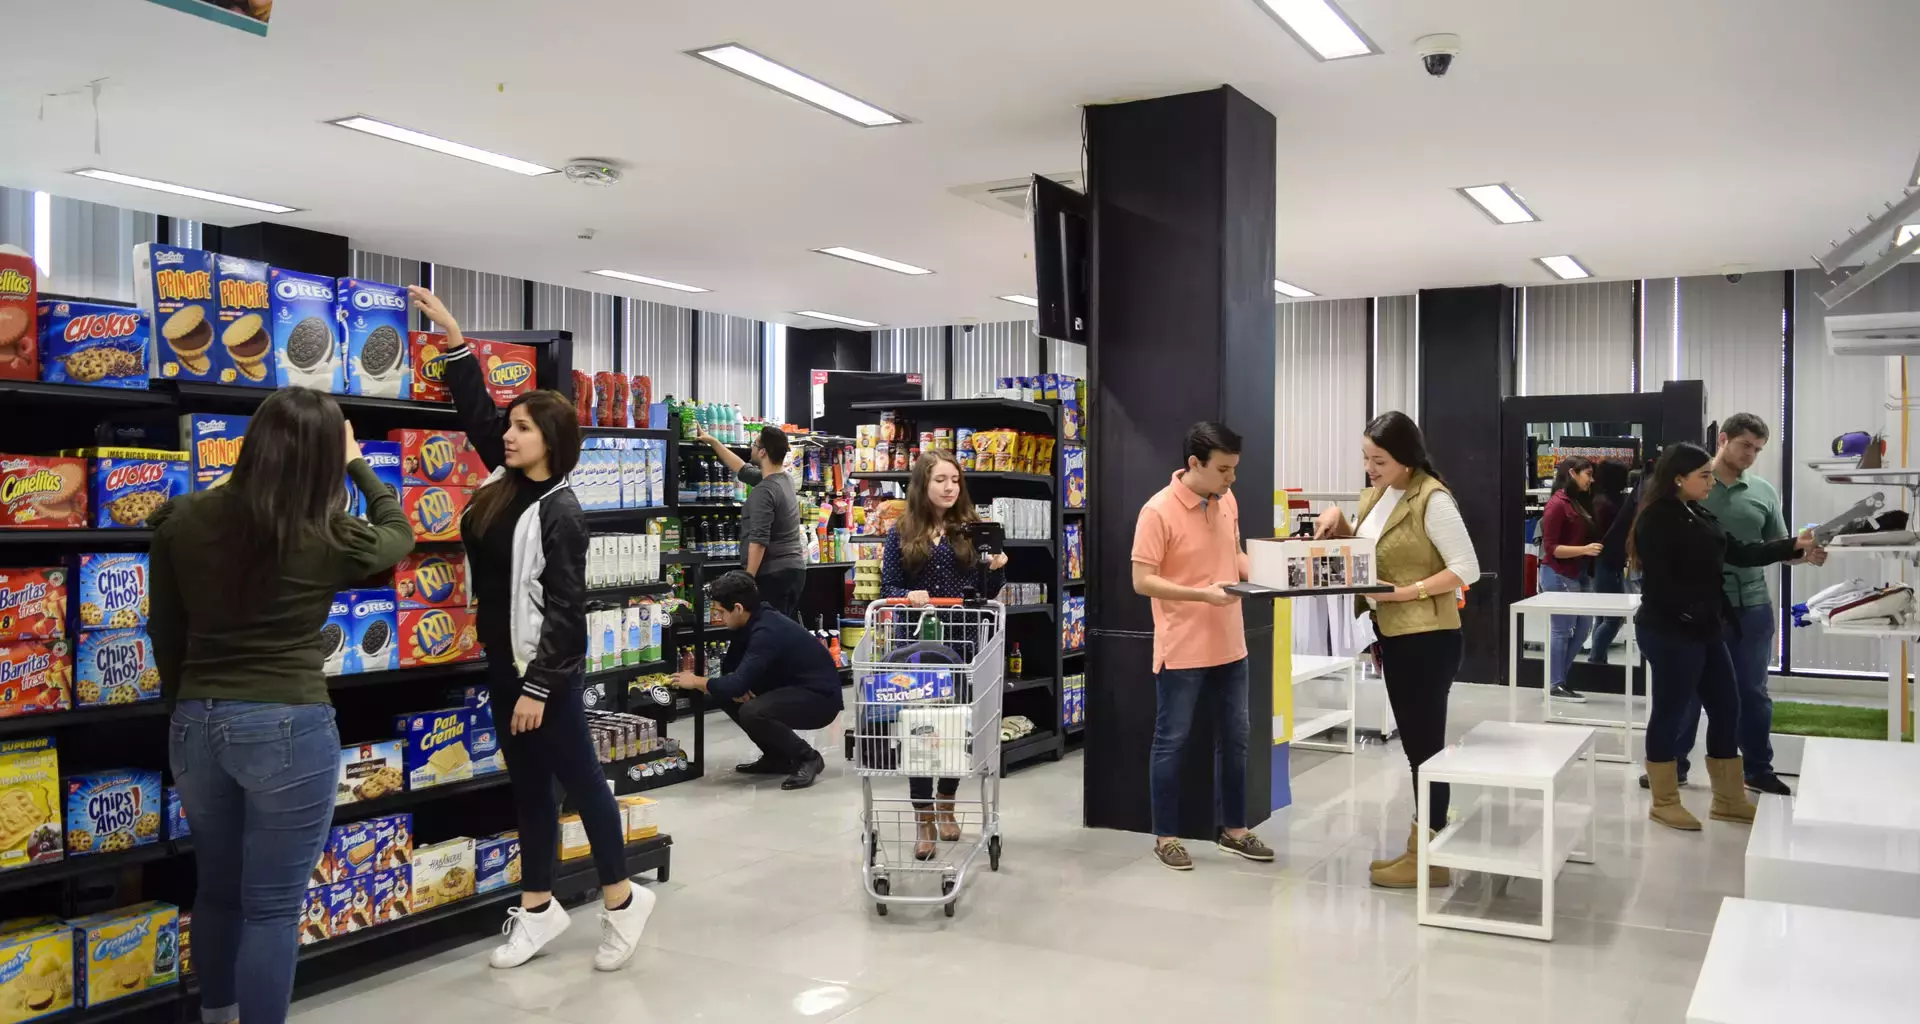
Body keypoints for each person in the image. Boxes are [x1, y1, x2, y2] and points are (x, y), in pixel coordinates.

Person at [149, 388, 414, 1024]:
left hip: (196, 722)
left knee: (215, 890)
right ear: (323, 458)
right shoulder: (328, 534)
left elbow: (165, 631)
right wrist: (357, 462)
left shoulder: (181, 519)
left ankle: (217, 1016)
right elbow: (399, 534)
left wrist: (184, 704)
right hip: (288, 725)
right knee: (271, 905)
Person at [412, 287, 655, 972]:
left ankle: (622, 901)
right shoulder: (509, 480)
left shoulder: (560, 511)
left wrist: (540, 688)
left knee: (583, 783)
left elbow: (568, 613)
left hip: (540, 678)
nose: (509, 433)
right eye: (511, 425)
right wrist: (455, 337)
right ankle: (540, 909)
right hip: (503, 665)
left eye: (523, 427)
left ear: (551, 441)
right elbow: (476, 413)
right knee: (528, 792)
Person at [1314, 411, 1480, 889]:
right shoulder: (1378, 496)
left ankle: (1429, 856)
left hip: (1427, 638)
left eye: (1379, 459)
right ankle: (1423, 850)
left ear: (1406, 459)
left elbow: (1465, 568)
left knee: (1426, 752)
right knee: (1419, 749)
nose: (1370, 467)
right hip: (1395, 636)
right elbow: (1371, 555)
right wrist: (1341, 523)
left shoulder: (1433, 499)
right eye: (1365, 458)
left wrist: (1406, 593)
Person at [1631, 442, 1819, 832]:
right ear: (1678, 478)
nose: (1711, 481)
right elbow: (1662, 585)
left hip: (1706, 628)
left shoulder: (1696, 511)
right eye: (1704, 475)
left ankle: (1728, 799)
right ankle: (1664, 801)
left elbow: (1739, 552)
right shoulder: (1656, 518)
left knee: (1727, 707)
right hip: (1671, 632)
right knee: (1671, 711)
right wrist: (1691, 616)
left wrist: (1792, 546)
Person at [1131, 422, 1275, 872]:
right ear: (1195, 464)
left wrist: (1272, 573)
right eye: (1224, 470)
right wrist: (1202, 594)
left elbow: (1232, 556)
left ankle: (1235, 831)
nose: (1232, 479)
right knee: (1171, 742)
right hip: (1183, 648)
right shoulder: (1156, 512)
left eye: (1234, 469)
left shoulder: (1227, 500)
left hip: (1232, 645)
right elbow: (1142, 581)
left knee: (1236, 740)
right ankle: (1166, 837)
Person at [1666, 414, 1804, 796]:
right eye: (1746, 446)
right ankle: (1672, 767)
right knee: (1688, 689)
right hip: (1697, 606)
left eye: (1758, 450)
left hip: (1752, 607)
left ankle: (1758, 769)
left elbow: (1777, 546)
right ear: (1723, 439)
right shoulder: (1689, 486)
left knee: (1752, 691)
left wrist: (1804, 551)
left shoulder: (1763, 492)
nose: (1752, 455)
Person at [881, 450, 1008, 859]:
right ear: (923, 484)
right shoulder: (900, 530)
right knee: (920, 729)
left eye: (955, 479)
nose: (950, 487)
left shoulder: (971, 530)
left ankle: (947, 802)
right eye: (940, 479)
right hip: (916, 648)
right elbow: (888, 588)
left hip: (962, 644)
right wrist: (909, 597)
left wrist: (998, 566)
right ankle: (923, 818)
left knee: (956, 727)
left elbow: (984, 594)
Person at [669, 571, 843, 789]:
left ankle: (808, 757)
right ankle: (777, 756)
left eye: (721, 612)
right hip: (792, 687)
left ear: (739, 608)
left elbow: (735, 681)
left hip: (820, 699)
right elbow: (730, 671)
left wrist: (695, 681)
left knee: (752, 711)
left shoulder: (766, 630)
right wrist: (738, 686)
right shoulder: (750, 620)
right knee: (724, 694)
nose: (719, 617)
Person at [697, 427, 805, 619]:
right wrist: (713, 441)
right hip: (793, 571)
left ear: (762, 452)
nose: (751, 448)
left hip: (773, 574)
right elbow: (742, 469)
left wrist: (747, 580)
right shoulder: (784, 480)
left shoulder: (765, 490)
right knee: (782, 628)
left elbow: (759, 540)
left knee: (766, 631)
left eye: (754, 444)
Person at [1538, 456, 1603, 703]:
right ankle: (1555, 683)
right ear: (1573, 473)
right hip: (1559, 573)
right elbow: (1552, 548)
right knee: (1562, 630)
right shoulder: (1557, 505)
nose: (1591, 479)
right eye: (1587, 473)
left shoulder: (1576, 502)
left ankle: (1556, 679)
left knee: (1584, 626)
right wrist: (1585, 550)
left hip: (1579, 573)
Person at [1587, 460, 1636, 666]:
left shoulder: (1602, 500)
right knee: (1614, 617)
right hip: (1606, 561)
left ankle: (1597, 659)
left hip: (1605, 562)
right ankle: (1597, 659)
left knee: (1604, 614)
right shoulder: (1606, 504)